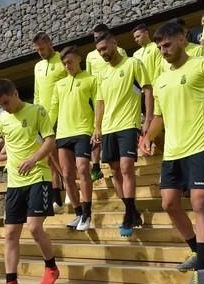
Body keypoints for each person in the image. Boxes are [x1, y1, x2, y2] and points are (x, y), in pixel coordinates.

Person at [141, 22, 204, 284]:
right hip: (172, 151)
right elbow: (159, 116)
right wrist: (148, 136)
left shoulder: (203, 65)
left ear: (182, 40)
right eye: (159, 47)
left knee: (199, 202)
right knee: (169, 204)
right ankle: (198, 250)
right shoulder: (160, 79)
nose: (163, 51)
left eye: (167, 45)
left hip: (201, 145)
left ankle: (202, 271)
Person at [0, 78, 59, 284]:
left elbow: (50, 142)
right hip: (14, 182)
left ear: (16, 93)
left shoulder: (37, 111)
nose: (5, 108)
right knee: (10, 233)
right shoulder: (2, 119)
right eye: (1, 105)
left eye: (7, 102)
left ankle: (51, 266)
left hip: (38, 177)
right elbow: (7, 140)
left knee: (33, 226)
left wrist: (33, 159)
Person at [93, 30, 152, 237]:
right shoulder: (102, 73)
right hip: (108, 128)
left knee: (126, 167)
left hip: (128, 124)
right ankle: (132, 211)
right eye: (99, 51)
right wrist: (97, 127)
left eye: (105, 48)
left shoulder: (133, 64)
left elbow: (147, 89)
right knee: (115, 171)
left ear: (115, 43)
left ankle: (128, 214)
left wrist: (149, 119)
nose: (102, 53)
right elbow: (100, 102)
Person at [50, 45, 97, 231]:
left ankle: (87, 213)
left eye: (69, 62)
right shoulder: (59, 85)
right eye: (64, 63)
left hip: (83, 131)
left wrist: (96, 128)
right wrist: (46, 131)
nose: (67, 66)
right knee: (67, 175)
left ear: (79, 58)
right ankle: (78, 214)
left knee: (83, 169)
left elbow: (98, 105)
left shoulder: (91, 79)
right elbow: (53, 110)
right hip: (63, 134)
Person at [86, 23, 126, 182]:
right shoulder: (90, 56)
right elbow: (89, 77)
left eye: (101, 36)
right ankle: (95, 166)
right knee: (96, 130)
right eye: (95, 38)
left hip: (116, 97)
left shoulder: (120, 50)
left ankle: (119, 163)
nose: (98, 40)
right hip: (98, 98)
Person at [32, 32, 67, 211]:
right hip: (44, 117)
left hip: (62, 114)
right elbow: (37, 93)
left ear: (50, 43)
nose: (40, 53)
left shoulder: (62, 59)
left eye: (42, 49)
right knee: (49, 157)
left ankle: (69, 188)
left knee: (59, 155)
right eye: (37, 50)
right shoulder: (37, 66)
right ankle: (56, 198)